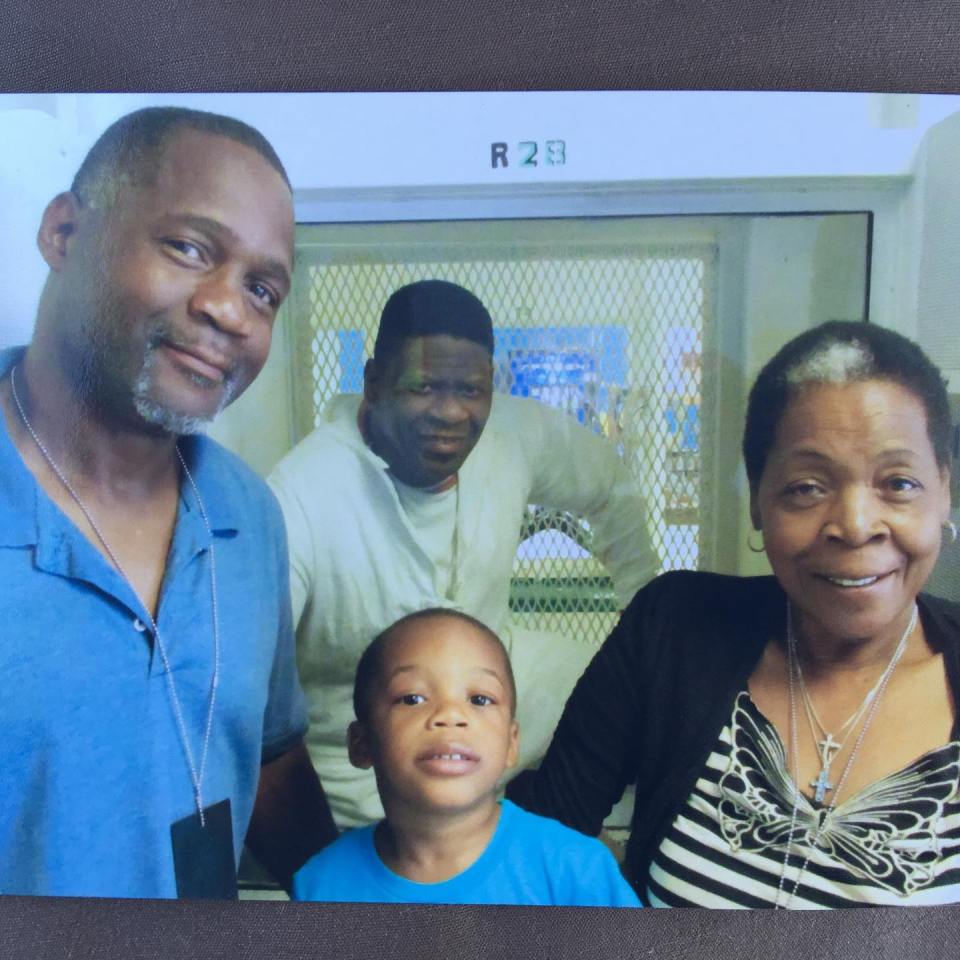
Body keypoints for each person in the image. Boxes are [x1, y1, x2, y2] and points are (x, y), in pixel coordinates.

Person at [0, 107, 337, 898]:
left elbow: (265, 755)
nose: (230, 311)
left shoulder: (248, 516)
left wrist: (369, 903)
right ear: (64, 232)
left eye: (263, 290)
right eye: (189, 248)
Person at [508, 320, 960, 908]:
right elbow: (543, 844)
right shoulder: (673, 629)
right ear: (757, 499)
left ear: (944, 490)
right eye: (806, 487)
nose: (854, 526)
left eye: (898, 483)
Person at [268, 278, 659, 827]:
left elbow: (610, 484)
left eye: (470, 391)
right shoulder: (299, 499)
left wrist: (643, 612)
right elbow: (249, 716)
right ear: (374, 383)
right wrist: (318, 865)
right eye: (424, 387)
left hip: (492, 697)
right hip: (364, 788)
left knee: (635, 686)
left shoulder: (513, 433)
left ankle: (549, 828)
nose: (450, 412)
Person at [292, 608, 640, 906]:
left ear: (511, 743)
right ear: (361, 743)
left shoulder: (575, 872)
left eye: (480, 699)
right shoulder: (322, 885)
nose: (450, 715)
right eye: (412, 698)